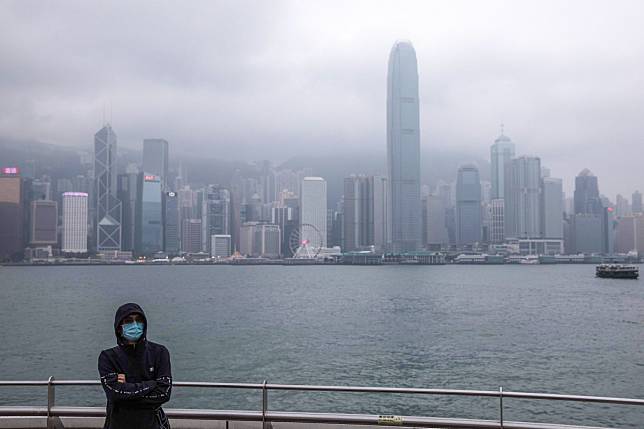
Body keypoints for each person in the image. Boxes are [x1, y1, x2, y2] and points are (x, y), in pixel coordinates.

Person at [98, 303, 172, 429]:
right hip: (118, 424)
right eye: (128, 321)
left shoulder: (159, 352)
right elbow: (114, 394)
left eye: (138, 320)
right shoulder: (108, 357)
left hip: (153, 424)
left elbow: (164, 393)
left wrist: (126, 390)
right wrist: (152, 384)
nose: (135, 325)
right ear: (119, 328)